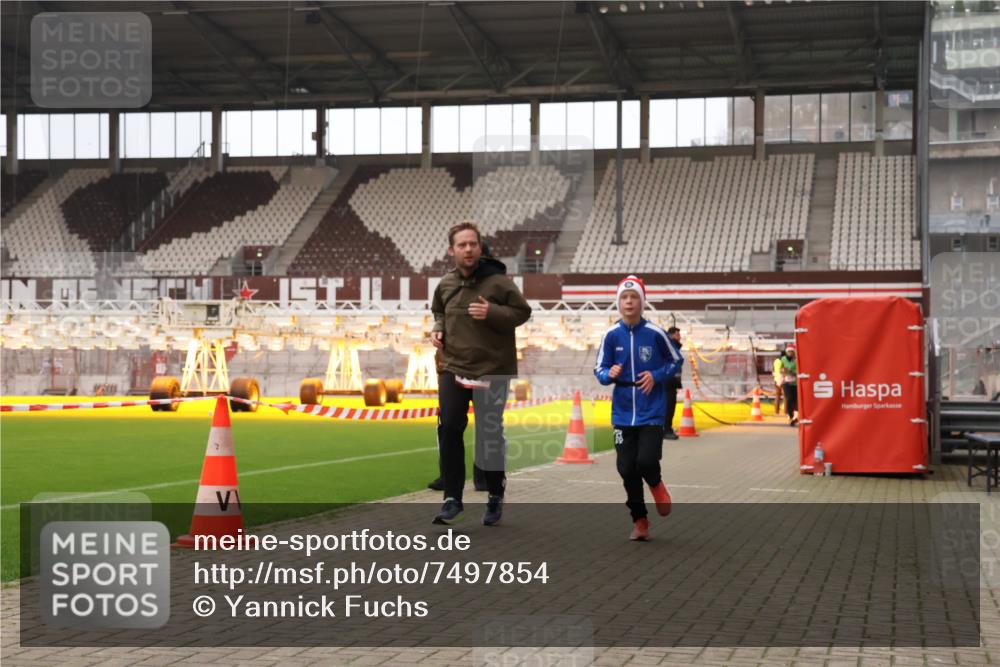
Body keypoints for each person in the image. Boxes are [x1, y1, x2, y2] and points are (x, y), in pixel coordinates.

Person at [429, 222, 532, 526]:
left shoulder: (499, 282)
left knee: (488, 435)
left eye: (472, 243)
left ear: (479, 246)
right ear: (452, 250)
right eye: (462, 245)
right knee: (448, 426)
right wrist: (437, 329)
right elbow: (438, 311)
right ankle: (451, 498)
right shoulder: (446, 283)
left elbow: (522, 312)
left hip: (492, 369)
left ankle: (495, 495)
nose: (468, 249)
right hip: (452, 365)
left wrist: (493, 313)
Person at [594, 275, 683, 541]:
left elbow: (676, 360)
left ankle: (656, 484)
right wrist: (609, 373)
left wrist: (656, 375)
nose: (629, 302)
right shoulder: (611, 335)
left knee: (645, 462)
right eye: (624, 297)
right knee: (626, 468)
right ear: (618, 303)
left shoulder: (655, 334)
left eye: (634, 297)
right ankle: (640, 520)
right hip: (622, 413)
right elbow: (599, 370)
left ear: (642, 303)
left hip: (652, 411)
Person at [662, 326, 684, 440]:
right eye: (677, 335)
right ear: (670, 335)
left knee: (669, 407)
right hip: (668, 383)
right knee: (668, 407)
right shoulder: (670, 347)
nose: (679, 337)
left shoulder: (674, 347)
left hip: (671, 383)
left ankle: (666, 428)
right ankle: (666, 430)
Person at [780, 344, 798, 426]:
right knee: (789, 398)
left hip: (795, 383)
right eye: (788, 351)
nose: (790, 353)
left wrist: (792, 372)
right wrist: (783, 371)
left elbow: (799, 371)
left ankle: (795, 416)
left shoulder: (797, 360)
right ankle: (789, 415)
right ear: (786, 352)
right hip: (786, 382)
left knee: (795, 400)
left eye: (791, 351)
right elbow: (780, 369)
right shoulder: (783, 359)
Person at [772, 350, 786, 415]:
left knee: (777, 396)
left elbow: (773, 370)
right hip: (782, 379)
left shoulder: (776, 361)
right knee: (786, 396)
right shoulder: (783, 361)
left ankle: (776, 411)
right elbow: (783, 371)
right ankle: (786, 411)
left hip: (776, 379)